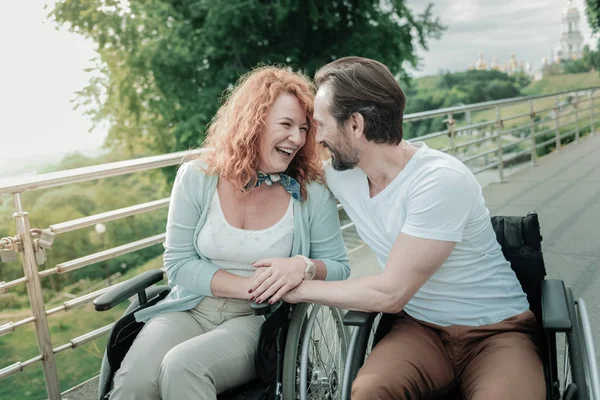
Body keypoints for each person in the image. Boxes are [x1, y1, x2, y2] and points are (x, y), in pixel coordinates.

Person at [252, 57, 546, 399]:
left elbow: (391, 293)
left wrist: (298, 287)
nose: (315, 138)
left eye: (320, 124)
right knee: (369, 391)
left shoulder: (439, 181)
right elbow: (273, 167)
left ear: (356, 125)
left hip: (496, 333)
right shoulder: (342, 174)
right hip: (420, 330)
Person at [110, 66, 350, 400]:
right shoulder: (197, 176)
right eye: (285, 125)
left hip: (257, 320)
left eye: (303, 129)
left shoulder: (310, 191)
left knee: (183, 367)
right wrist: (248, 286)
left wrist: (304, 267)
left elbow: (339, 266)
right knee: (132, 384)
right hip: (190, 307)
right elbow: (178, 263)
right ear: (253, 121)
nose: (296, 138)